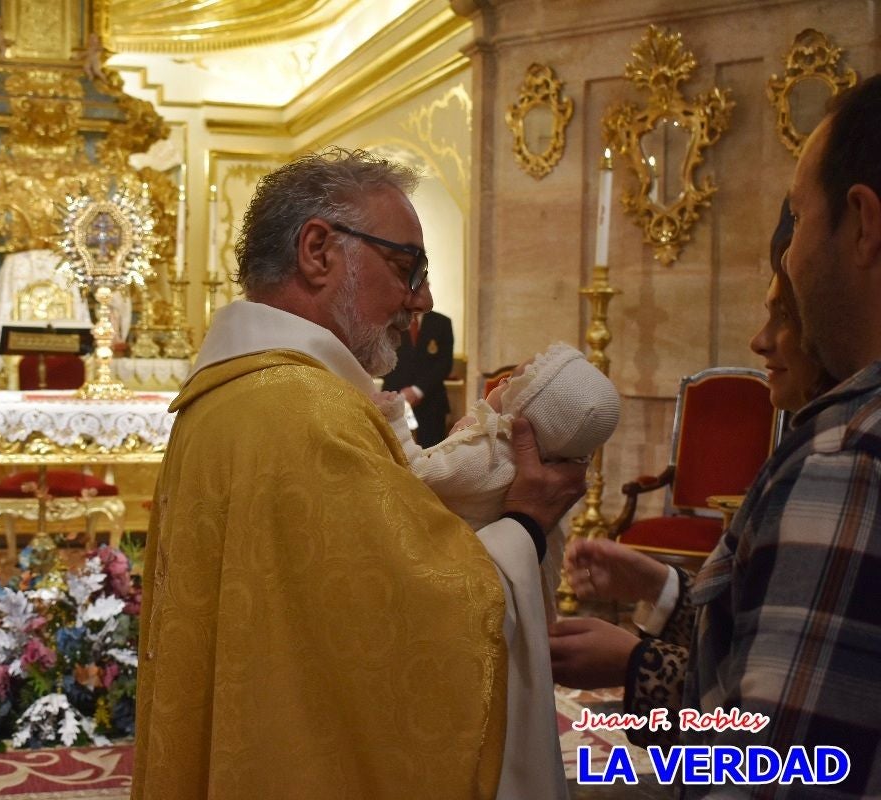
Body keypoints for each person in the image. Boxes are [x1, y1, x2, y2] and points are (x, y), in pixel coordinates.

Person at [132, 147, 586, 800]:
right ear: (319, 251)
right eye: (407, 267)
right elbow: (432, 622)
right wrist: (528, 521)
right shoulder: (307, 411)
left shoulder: (234, 393)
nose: (421, 298)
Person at [552, 76, 881, 798]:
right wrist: (668, 593)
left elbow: (771, 766)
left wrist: (631, 690)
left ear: (863, 224)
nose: (791, 254)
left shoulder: (846, 459)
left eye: (799, 217)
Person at [378, 341, 621, 620]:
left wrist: (395, 419)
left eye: (512, 380)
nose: (502, 381)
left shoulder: (491, 455)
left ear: (527, 406)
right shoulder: (538, 462)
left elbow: (418, 473)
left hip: (455, 572)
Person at [381, 308, 454, 445]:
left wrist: (417, 391)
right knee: (395, 451)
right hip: (395, 400)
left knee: (432, 453)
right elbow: (382, 361)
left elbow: (444, 364)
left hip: (431, 402)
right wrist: (403, 395)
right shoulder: (390, 321)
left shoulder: (442, 322)